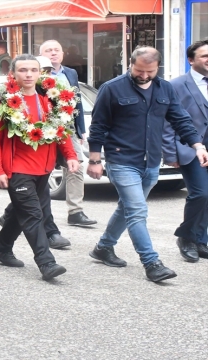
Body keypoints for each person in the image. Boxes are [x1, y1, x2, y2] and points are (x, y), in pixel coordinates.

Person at [87, 46, 208, 282]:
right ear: (131, 64)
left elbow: (180, 119)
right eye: (139, 70)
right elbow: (98, 126)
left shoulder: (165, 88)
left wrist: (198, 146)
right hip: (122, 160)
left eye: (149, 72)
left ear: (157, 68)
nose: (144, 76)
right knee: (137, 211)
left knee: (128, 208)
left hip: (151, 161)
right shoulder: (112, 88)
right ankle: (151, 262)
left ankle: (103, 247)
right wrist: (94, 159)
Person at [0, 54, 78, 281]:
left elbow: (62, 131)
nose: (28, 74)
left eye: (33, 70)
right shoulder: (4, 102)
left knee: (22, 212)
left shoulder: (50, 100)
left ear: (41, 73)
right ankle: (46, 263)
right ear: (13, 74)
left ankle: (1, 248)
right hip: (18, 169)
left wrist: (70, 155)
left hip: (44, 168)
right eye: (23, 70)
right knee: (33, 214)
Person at [40, 39, 96, 226]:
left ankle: (75, 211)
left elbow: (77, 101)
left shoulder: (70, 73)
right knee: (38, 171)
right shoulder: (36, 73)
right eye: (49, 50)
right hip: (42, 129)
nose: (53, 53)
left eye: (57, 50)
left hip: (68, 128)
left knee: (76, 166)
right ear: (42, 55)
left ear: (63, 54)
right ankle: (15, 213)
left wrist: (81, 130)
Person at [162, 40, 208, 263]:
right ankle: (186, 237)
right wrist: (170, 154)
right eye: (204, 56)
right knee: (200, 193)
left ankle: (200, 239)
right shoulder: (177, 85)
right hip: (191, 148)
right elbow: (167, 122)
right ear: (191, 60)